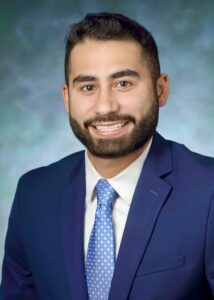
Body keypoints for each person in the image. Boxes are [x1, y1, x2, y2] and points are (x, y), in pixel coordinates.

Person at [0, 12, 214, 300]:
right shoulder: (33, 194)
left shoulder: (208, 191)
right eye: (88, 87)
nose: (105, 107)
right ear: (67, 98)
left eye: (123, 83)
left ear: (160, 89)